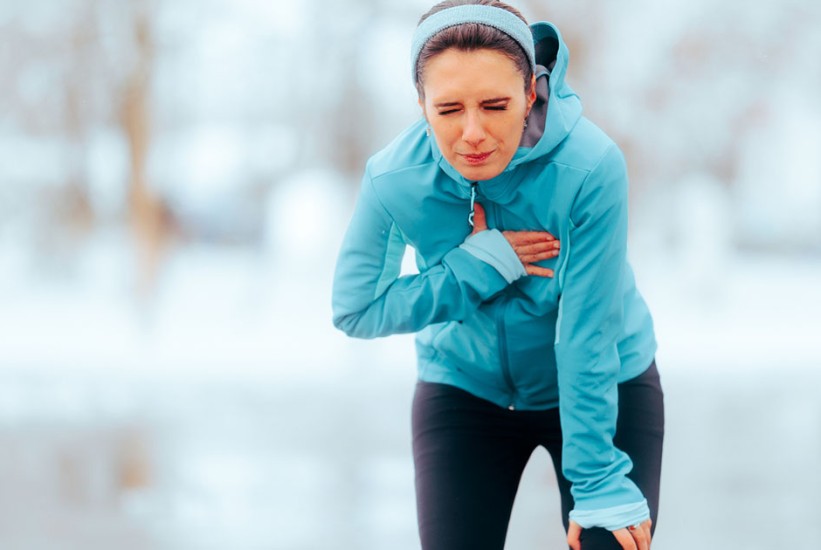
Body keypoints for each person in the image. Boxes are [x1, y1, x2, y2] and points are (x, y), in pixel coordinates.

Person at [331, 1, 664, 548]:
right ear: (421, 105)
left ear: (531, 91)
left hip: (606, 383)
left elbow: (586, 333)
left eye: (494, 104)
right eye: (448, 109)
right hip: (465, 387)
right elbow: (357, 308)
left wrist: (598, 477)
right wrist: (477, 268)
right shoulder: (394, 179)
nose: (473, 134)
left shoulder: (589, 168)